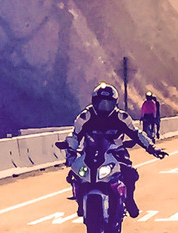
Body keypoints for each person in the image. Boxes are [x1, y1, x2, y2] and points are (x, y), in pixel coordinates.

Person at [65, 82, 167, 218]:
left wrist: (151, 147)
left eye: (108, 103)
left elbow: (136, 133)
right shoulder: (85, 116)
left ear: (115, 103)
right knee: (76, 174)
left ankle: (129, 199)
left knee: (129, 173)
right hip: (90, 152)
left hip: (115, 151)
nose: (104, 107)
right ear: (94, 102)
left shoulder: (121, 117)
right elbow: (74, 135)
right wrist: (71, 152)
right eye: (101, 103)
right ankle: (80, 203)